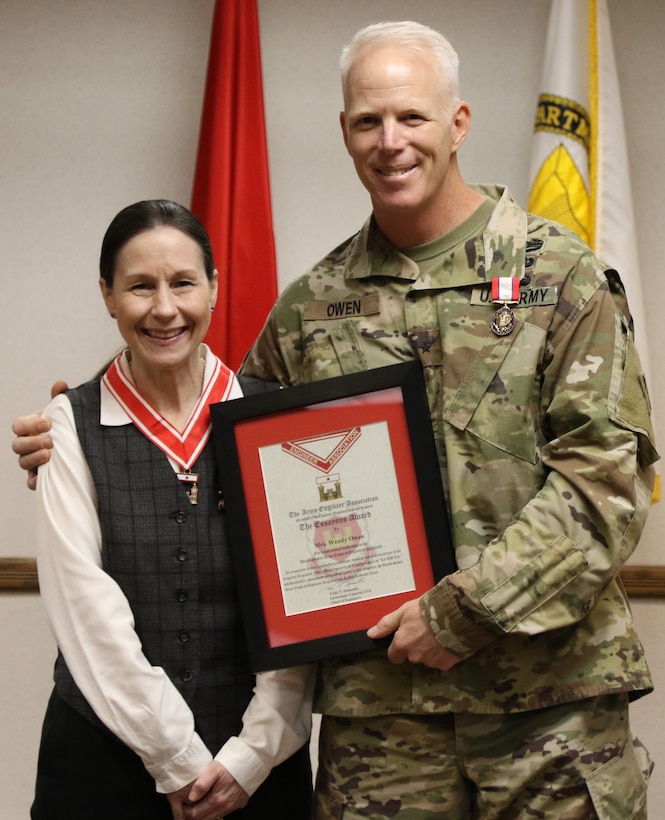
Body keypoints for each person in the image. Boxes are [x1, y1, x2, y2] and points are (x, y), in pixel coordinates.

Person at [12, 20, 659, 820]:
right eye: (367, 121)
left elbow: (608, 482)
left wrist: (458, 611)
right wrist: (74, 434)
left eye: (412, 117)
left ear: (457, 123)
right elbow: (225, 454)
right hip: (378, 724)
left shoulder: (560, 275)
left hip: (546, 712)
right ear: (345, 134)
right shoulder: (309, 309)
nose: (390, 142)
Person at [17, 199, 314, 820]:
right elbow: (85, 608)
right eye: (139, 287)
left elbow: (303, 601)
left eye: (183, 283)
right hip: (100, 770)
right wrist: (177, 760)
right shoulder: (67, 425)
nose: (164, 308)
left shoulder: (275, 417)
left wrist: (250, 758)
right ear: (107, 295)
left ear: (213, 287)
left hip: (258, 770)